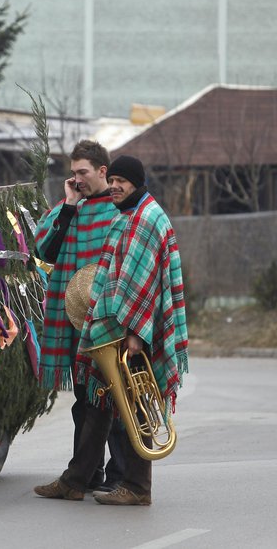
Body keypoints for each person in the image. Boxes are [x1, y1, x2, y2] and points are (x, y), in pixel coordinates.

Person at [34, 155, 189, 506]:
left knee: (134, 406)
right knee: (98, 404)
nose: (116, 186)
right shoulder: (130, 214)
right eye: (114, 180)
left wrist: (136, 333)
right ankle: (76, 480)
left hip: (132, 334)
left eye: (122, 181)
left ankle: (137, 487)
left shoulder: (145, 218)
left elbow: (145, 283)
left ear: (135, 182)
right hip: (116, 331)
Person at [34, 140, 126, 492]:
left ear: (103, 171)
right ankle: (88, 475)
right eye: (72, 173)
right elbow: (45, 250)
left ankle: (120, 475)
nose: (76, 179)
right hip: (74, 320)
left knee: (116, 399)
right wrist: (70, 206)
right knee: (85, 400)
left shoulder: (119, 209)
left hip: (109, 321)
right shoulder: (70, 207)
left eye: (82, 172)